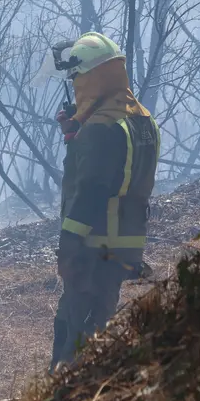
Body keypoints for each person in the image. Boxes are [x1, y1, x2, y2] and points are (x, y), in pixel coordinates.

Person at [50, 32, 159, 372]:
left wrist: (69, 243)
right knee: (99, 320)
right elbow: (121, 176)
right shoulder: (142, 118)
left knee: (76, 334)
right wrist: (75, 137)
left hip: (92, 247)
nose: (76, 85)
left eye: (78, 77)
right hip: (122, 245)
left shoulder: (100, 128)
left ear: (93, 76)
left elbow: (92, 191)